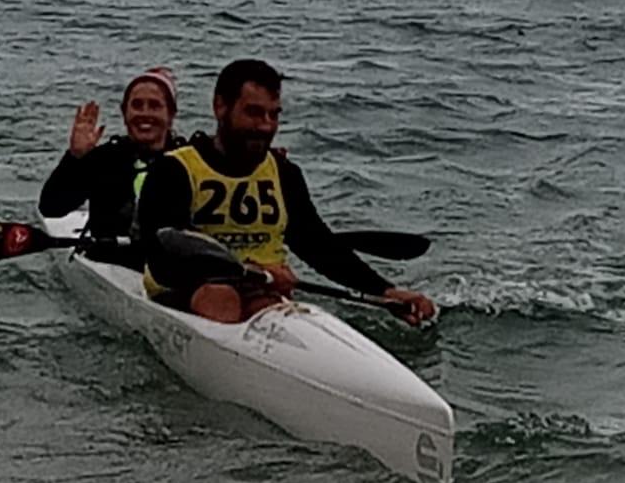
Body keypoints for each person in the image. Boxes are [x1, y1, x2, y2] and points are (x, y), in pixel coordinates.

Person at [137, 59, 436, 327]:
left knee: (271, 309)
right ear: (220, 107)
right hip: (187, 286)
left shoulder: (283, 173)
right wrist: (247, 269)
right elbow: (164, 246)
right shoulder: (175, 169)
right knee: (220, 297)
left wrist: (384, 291)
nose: (266, 126)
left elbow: (318, 245)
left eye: (273, 115)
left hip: (263, 290)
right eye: (254, 113)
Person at [39, 67, 180, 264]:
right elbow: (51, 208)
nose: (145, 114)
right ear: (124, 113)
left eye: (155, 106)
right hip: (111, 262)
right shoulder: (106, 158)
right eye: (137, 106)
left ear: (171, 114)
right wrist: (75, 157)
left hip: (169, 265)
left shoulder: (186, 160)